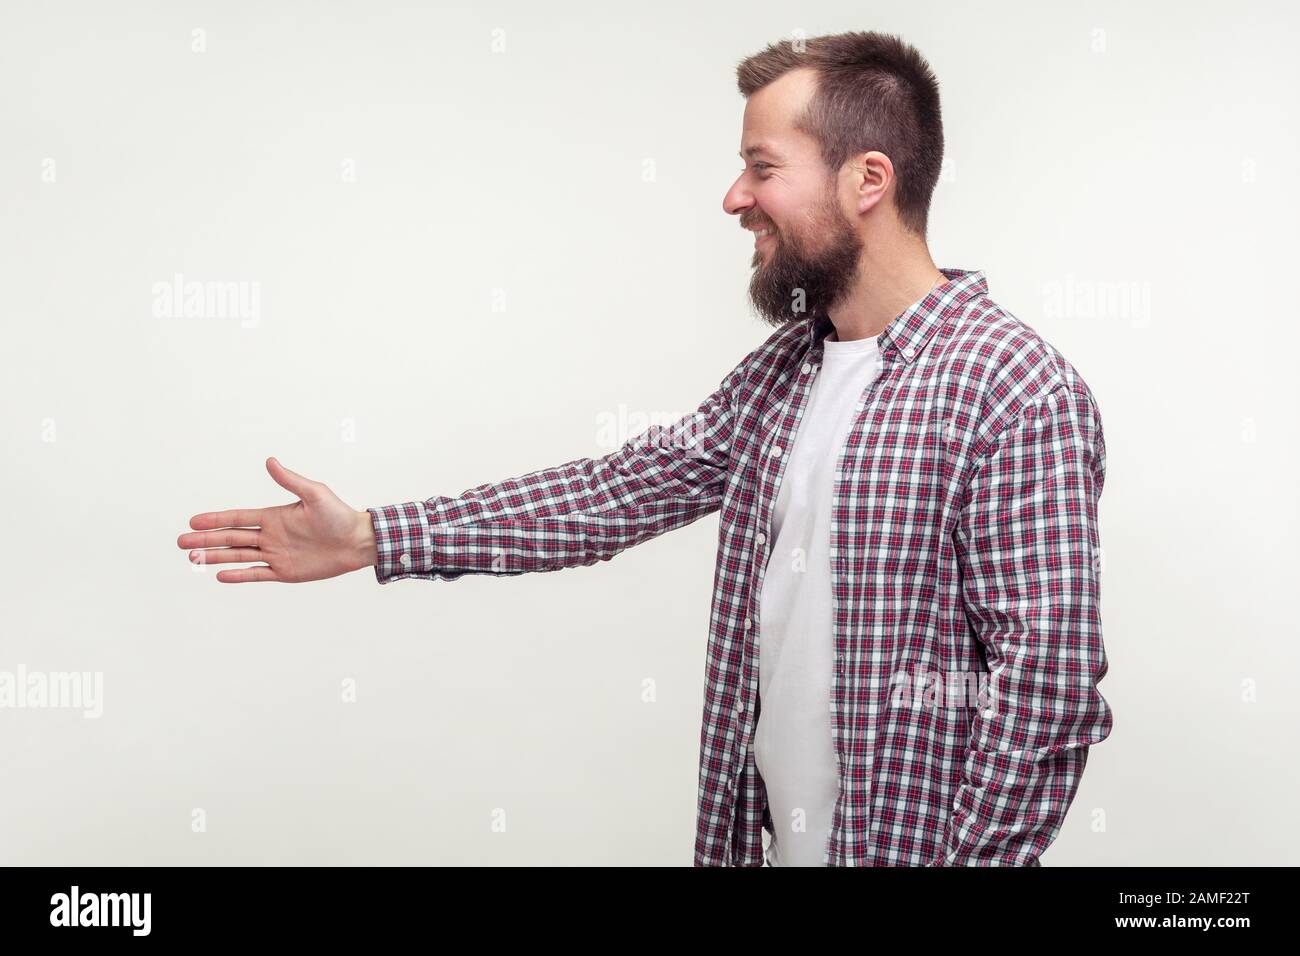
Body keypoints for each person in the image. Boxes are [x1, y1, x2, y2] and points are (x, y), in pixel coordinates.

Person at [177, 30, 1113, 867]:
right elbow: (615, 492)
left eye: (763, 165)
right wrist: (376, 535)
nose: (735, 197)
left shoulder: (1014, 391)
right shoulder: (782, 375)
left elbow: (1049, 689)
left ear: (867, 180)